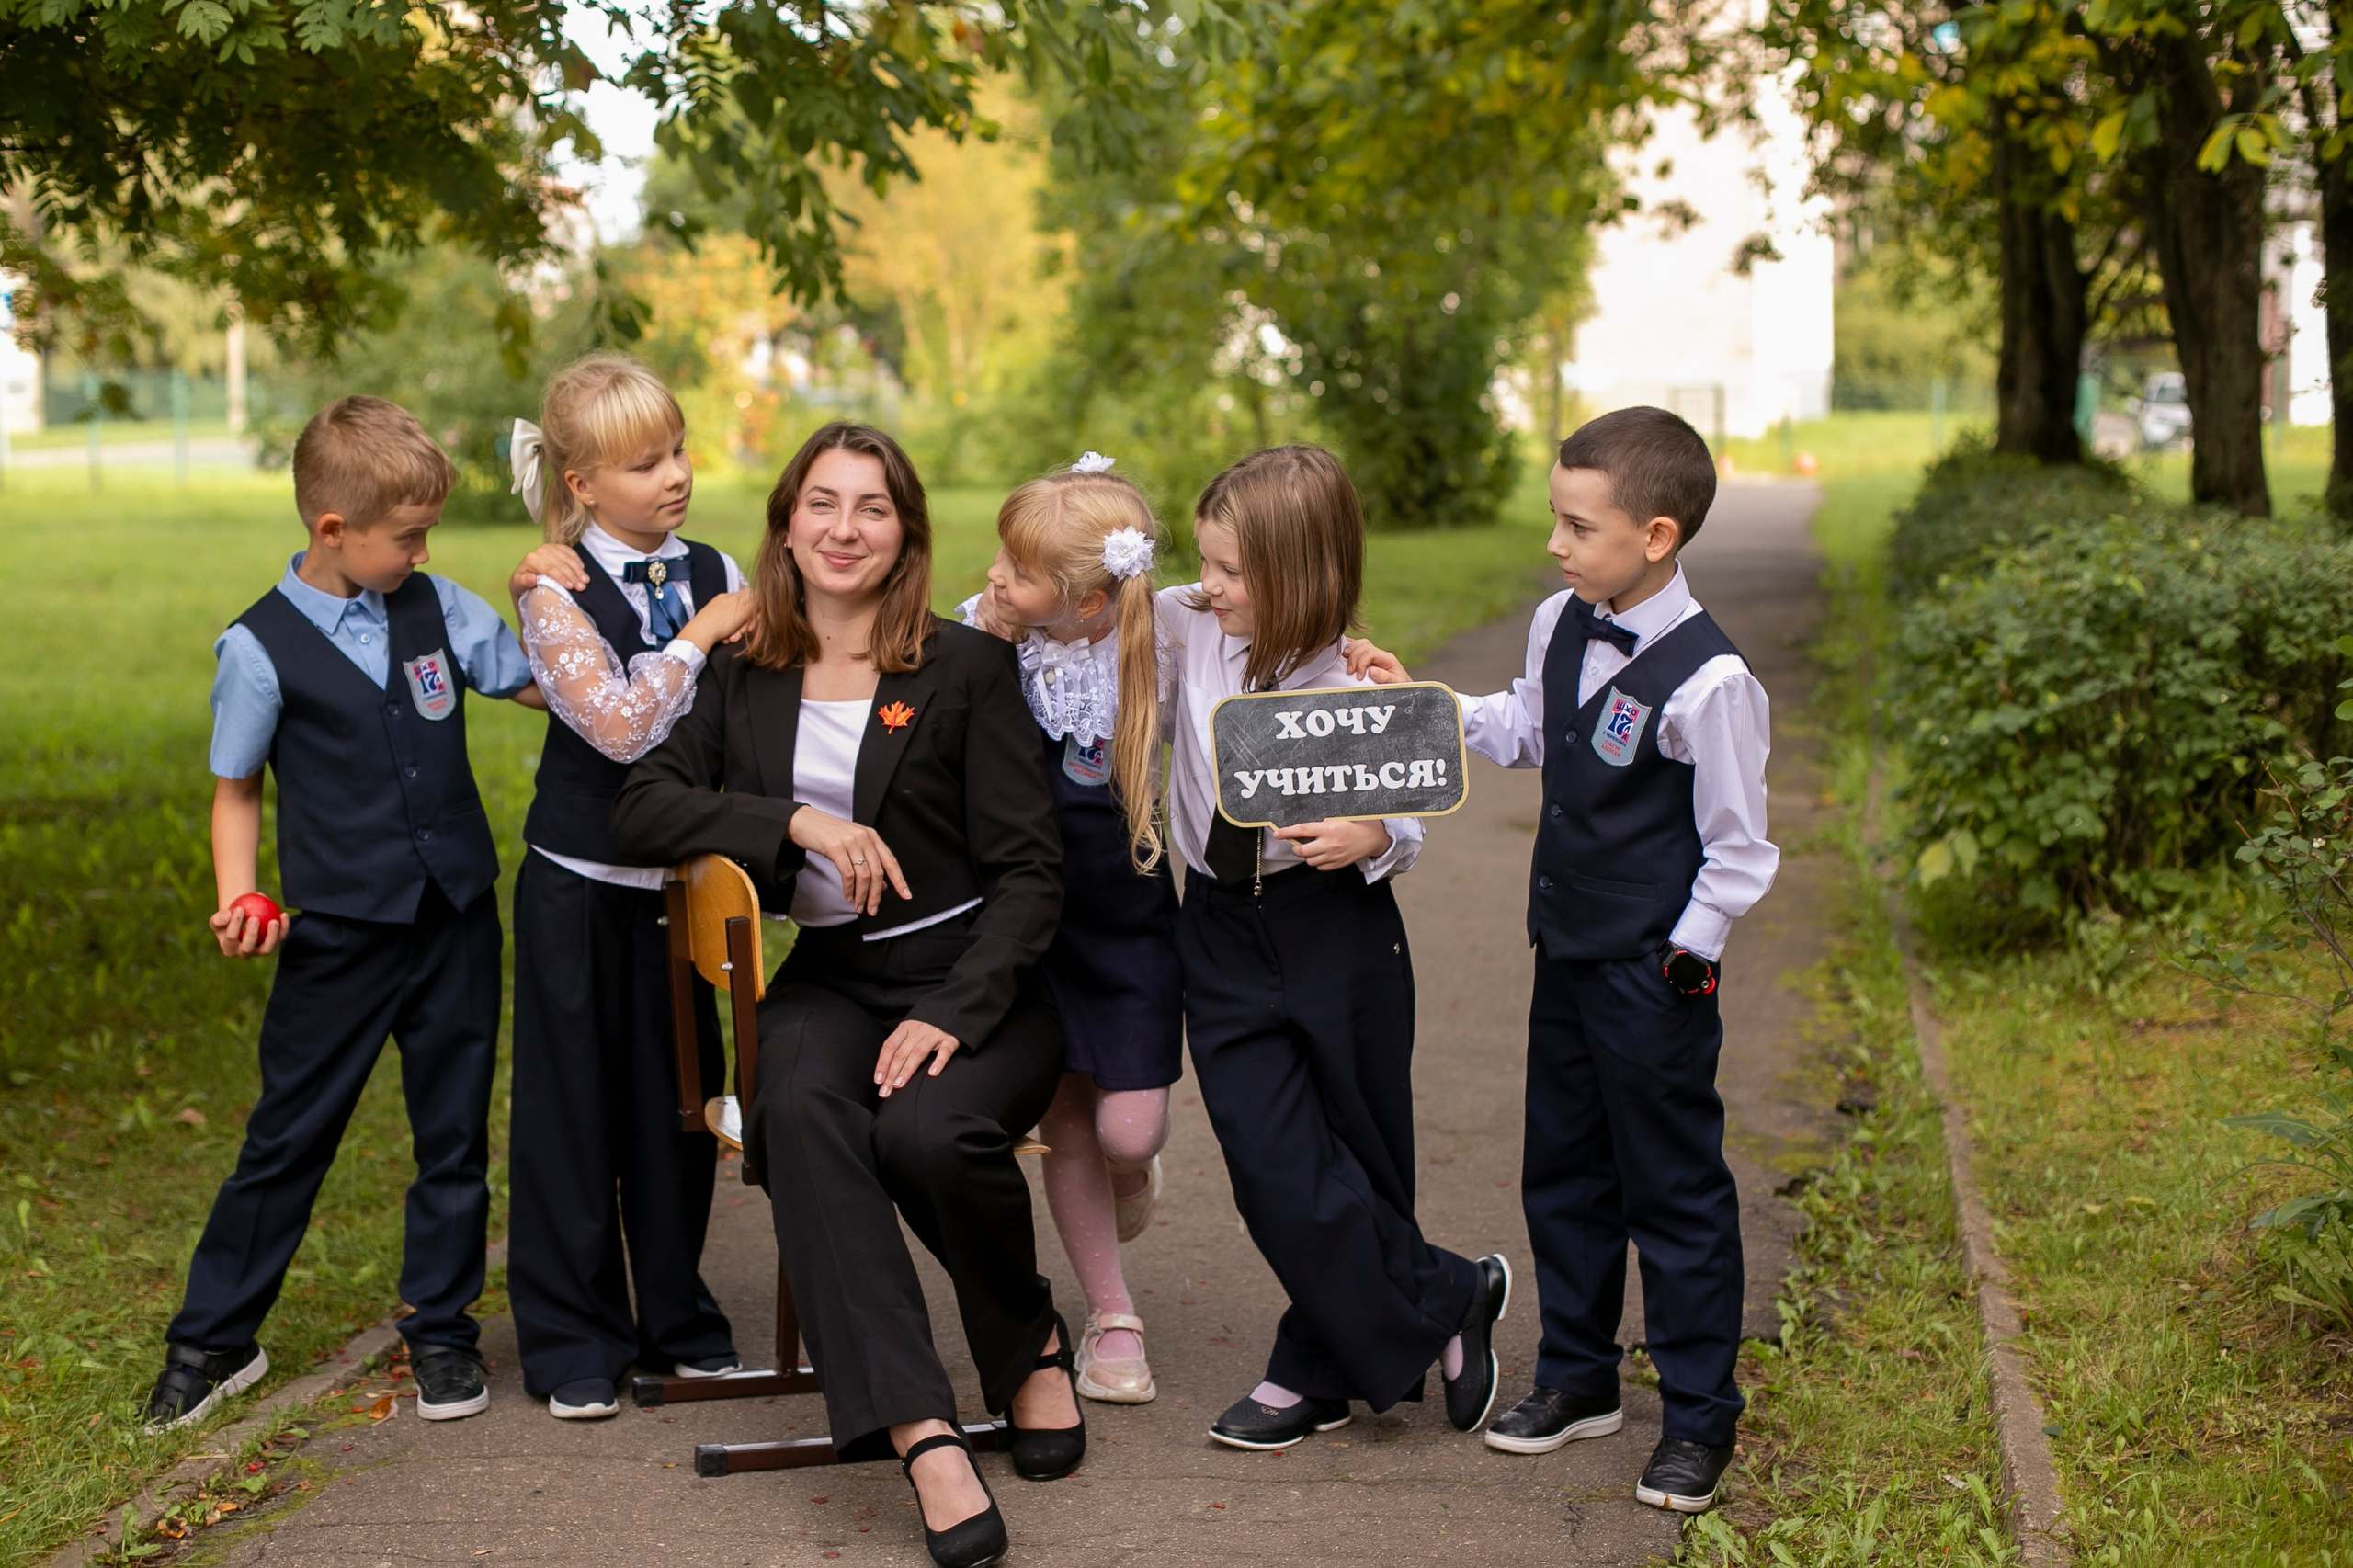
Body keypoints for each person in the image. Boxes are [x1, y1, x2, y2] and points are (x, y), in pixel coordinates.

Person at [610, 422, 1082, 1568]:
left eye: (871, 507)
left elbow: (1030, 874)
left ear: (906, 532)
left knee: (926, 1127)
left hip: (973, 975)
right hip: (833, 974)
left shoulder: (966, 666)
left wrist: (953, 1012)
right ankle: (923, 1429)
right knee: (801, 1110)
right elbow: (641, 807)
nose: (843, 528)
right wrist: (794, 822)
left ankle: (1026, 1346)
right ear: (786, 523)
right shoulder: (745, 672)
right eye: (820, 503)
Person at [1352, 405, 1778, 1514]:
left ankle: (1697, 1417)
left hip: (1654, 972)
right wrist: (1422, 705)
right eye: (1555, 518)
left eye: (1576, 526)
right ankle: (1579, 1376)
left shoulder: (1713, 683)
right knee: (1567, 1172)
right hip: (1565, 953)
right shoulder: (1562, 620)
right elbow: (1526, 729)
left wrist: (1687, 957)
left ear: (1656, 534)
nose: (1554, 543)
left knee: (1673, 1190)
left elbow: (1737, 851)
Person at [142, 396, 543, 1430]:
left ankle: (444, 1333)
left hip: (454, 920)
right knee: (288, 1136)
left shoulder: (441, 608)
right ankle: (214, 1340)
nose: (423, 548)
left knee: (452, 1133)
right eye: (407, 534)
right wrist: (239, 893)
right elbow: (237, 786)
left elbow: (543, 686)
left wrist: (561, 597)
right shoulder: (259, 648)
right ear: (333, 530)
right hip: (338, 936)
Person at [1157, 443, 1510, 1453]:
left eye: (1232, 570)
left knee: (1357, 1150)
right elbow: (1080, 611)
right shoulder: (1185, 624)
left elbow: (1415, 806)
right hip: (1219, 921)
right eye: (1205, 561)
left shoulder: (1353, 674)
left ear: (1301, 572)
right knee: (1272, 1163)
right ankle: (1451, 1290)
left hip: (1332, 926)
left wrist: (1375, 834)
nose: (1211, 583)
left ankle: (1310, 1367)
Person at [494, 354, 761, 1420]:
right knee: (571, 1111)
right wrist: (699, 638)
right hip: (578, 884)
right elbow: (615, 725)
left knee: (678, 1106)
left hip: (681, 887)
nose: (675, 476)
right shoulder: (552, 587)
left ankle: (677, 1316)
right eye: (643, 463)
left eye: (679, 450)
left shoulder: (719, 565)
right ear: (581, 484)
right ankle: (570, 1340)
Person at [957, 453, 1178, 1406]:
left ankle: (1137, 1170)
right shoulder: (993, 638)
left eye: (1017, 570)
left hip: (1128, 928)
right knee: (1068, 1121)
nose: (995, 578)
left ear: (1088, 599)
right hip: (1031, 927)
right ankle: (1112, 1313)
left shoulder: (1157, 645)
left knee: (1129, 1130)